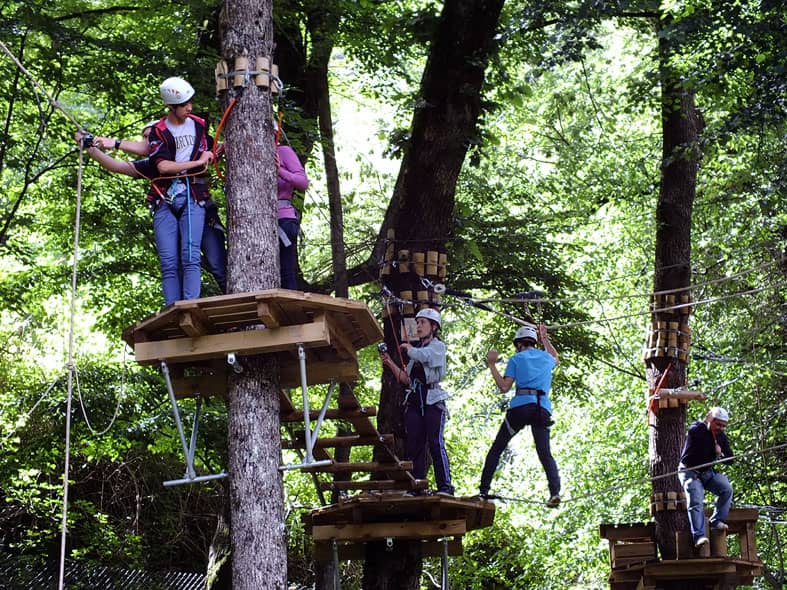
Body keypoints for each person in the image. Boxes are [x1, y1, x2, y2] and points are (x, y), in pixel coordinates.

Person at [480, 323, 561, 507]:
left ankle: (483, 490)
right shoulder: (546, 358)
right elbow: (556, 357)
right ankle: (554, 492)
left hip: (521, 407)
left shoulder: (516, 359)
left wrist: (492, 364)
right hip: (542, 409)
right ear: (533, 342)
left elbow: (504, 387)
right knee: (545, 453)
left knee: (497, 448)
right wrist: (545, 338)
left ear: (518, 344)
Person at [380, 308, 453, 496]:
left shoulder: (437, 347)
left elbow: (426, 357)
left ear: (434, 327)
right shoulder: (417, 350)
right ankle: (417, 487)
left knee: (435, 443)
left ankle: (445, 487)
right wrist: (389, 362)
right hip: (414, 399)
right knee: (415, 445)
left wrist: (410, 349)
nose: (418, 326)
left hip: (432, 400)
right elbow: (406, 379)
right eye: (417, 322)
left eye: (423, 323)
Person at [678, 407, 734, 548]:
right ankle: (699, 536)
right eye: (718, 424)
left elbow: (730, 459)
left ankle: (717, 520)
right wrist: (714, 449)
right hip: (690, 472)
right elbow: (698, 450)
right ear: (710, 420)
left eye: (723, 426)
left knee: (726, 488)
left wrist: (720, 454)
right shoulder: (697, 430)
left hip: (707, 473)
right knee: (696, 499)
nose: (720, 428)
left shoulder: (721, 437)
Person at [276, 139, 308, 290]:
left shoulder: (283, 151)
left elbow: (302, 182)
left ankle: (290, 310)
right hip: (253, 220)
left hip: (284, 219)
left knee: (286, 270)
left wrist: (279, 171)